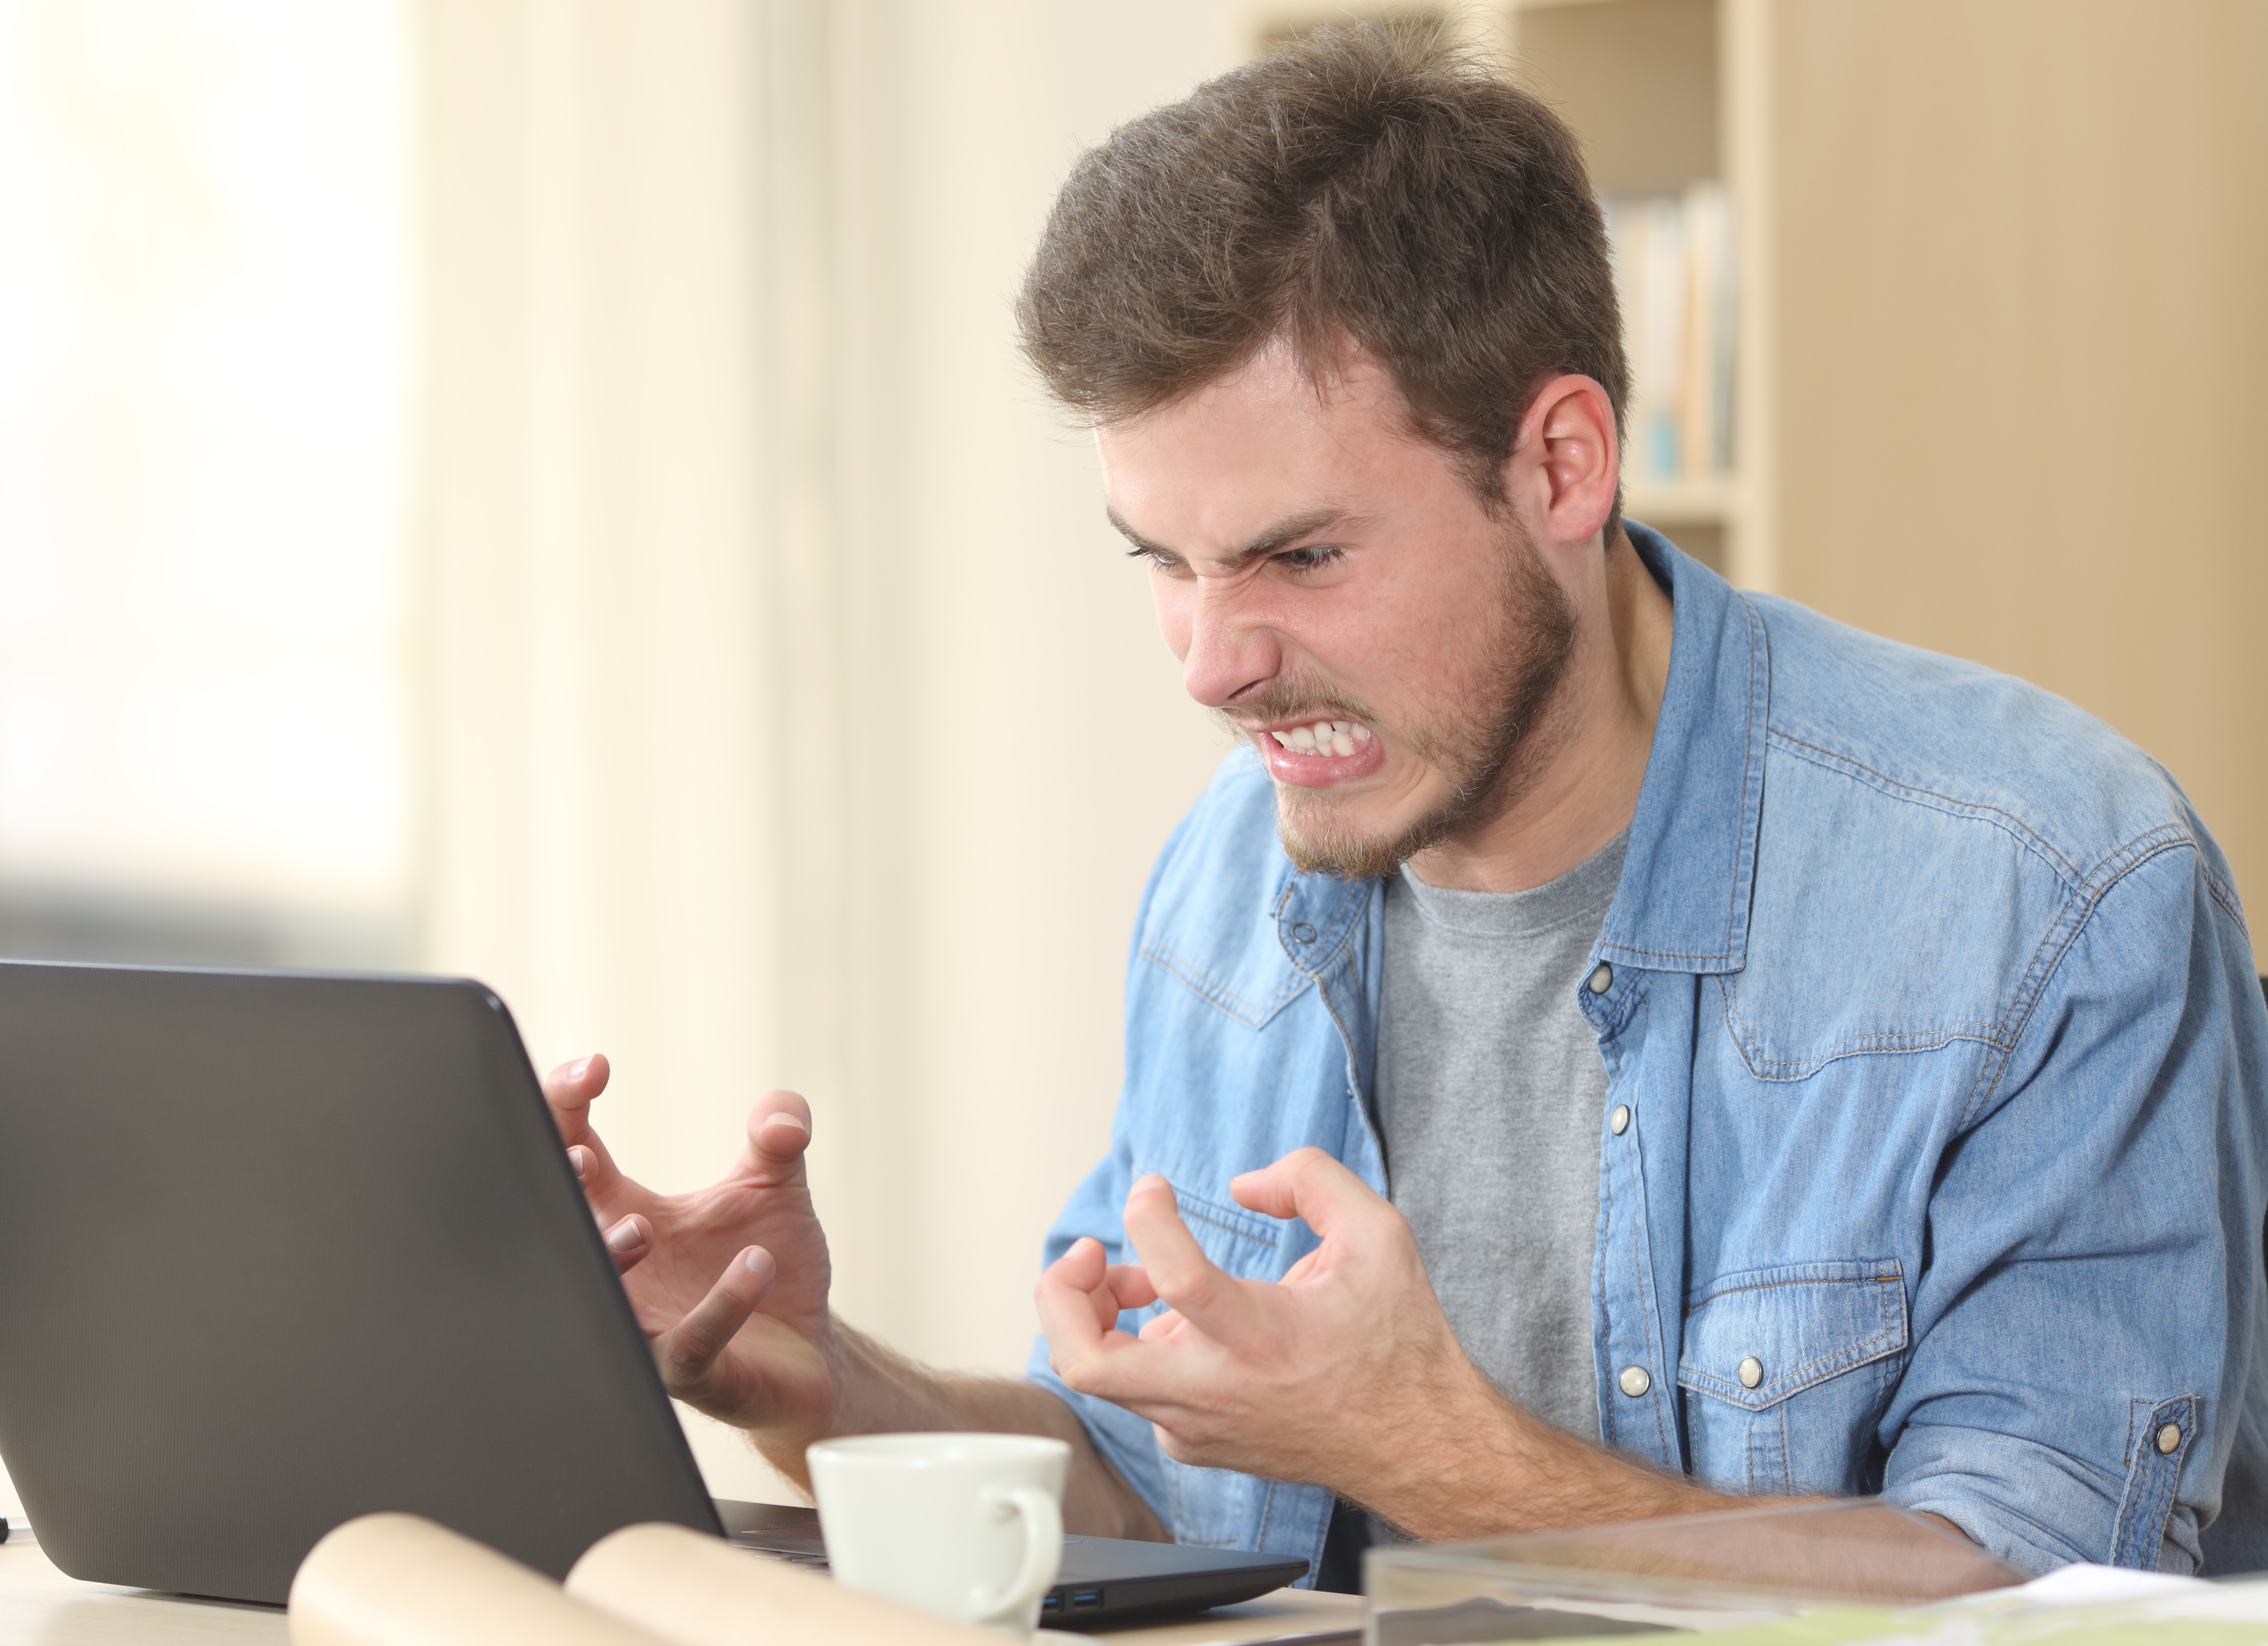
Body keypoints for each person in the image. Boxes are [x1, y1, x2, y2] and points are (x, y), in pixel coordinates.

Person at [548, 22, 2268, 1582]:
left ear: (1562, 466)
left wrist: (1419, 1448)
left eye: (1302, 556)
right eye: (1165, 563)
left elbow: (2044, 1608)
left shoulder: (2045, 893)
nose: (1214, 668)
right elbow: (1179, 1494)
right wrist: (817, 1381)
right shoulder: (1234, 877)